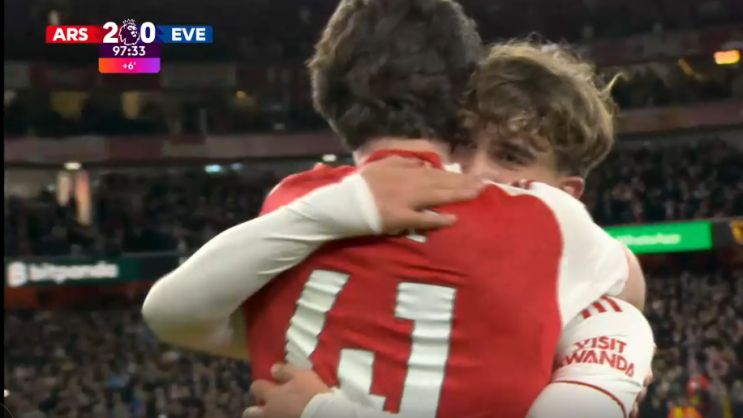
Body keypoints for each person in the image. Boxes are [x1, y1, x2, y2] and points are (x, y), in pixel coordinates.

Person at [142, 0, 652, 417]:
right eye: (464, 144)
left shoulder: (295, 201)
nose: (475, 171)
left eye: (511, 158)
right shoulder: (575, 259)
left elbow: (172, 314)